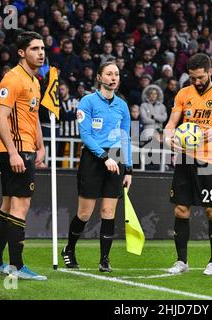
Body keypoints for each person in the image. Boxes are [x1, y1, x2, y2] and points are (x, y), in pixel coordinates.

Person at [163, 53, 212, 276]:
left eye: (200, 77)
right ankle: (181, 261)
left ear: (210, 72)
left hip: (209, 161)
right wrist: (169, 139)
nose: (196, 82)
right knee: (181, 209)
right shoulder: (183, 94)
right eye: (192, 78)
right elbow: (171, 124)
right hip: (185, 159)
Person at [61, 60, 132, 272]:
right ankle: (69, 249)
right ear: (99, 78)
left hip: (116, 159)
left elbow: (125, 137)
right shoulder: (87, 101)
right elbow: (85, 135)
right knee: (85, 213)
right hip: (94, 159)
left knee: (108, 211)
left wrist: (128, 168)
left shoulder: (123, 105)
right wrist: (104, 157)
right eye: (109, 74)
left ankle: (104, 259)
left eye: (116, 74)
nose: (114, 78)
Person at [0, 31, 47, 280]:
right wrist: (14, 153)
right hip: (16, 150)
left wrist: (41, 146)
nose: (41, 53)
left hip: (26, 148)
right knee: (21, 206)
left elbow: (33, 118)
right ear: (22, 53)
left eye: (42, 48)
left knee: (8, 205)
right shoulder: (12, 79)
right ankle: (16, 266)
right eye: (35, 49)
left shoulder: (35, 81)